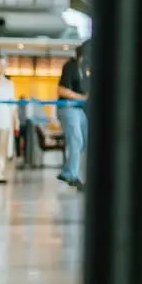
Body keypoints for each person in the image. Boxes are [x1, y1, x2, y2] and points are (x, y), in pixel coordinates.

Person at [56, 44, 88, 190]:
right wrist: (81, 97)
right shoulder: (70, 66)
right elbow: (61, 90)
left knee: (84, 141)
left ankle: (67, 172)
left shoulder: (84, 69)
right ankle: (73, 176)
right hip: (68, 108)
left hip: (80, 110)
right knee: (76, 140)